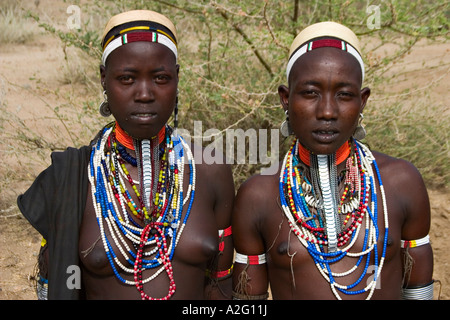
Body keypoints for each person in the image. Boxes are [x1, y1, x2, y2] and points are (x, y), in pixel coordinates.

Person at [17, 10, 235, 300]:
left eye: (160, 78)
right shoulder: (73, 177)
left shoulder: (209, 170)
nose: (144, 94)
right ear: (104, 80)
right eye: (127, 78)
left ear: (177, 79)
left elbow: (221, 283)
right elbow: (52, 283)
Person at [231, 21, 434, 300]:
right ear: (285, 99)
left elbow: (418, 291)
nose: (327, 111)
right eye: (311, 93)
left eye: (344, 95)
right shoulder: (258, 195)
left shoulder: (400, 182)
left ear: (362, 102)